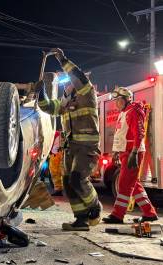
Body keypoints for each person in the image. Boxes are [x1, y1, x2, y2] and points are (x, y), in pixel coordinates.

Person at [35, 48, 102, 231]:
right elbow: (48, 107)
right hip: (71, 147)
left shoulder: (87, 95)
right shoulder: (66, 102)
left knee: (77, 177)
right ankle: (81, 219)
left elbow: (77, 76)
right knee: (67, 182)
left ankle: (95, 206)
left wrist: (62, 59)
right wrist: (42, 93)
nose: (67, 85)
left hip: (86, 146)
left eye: (68, 82)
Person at [102, 87, 158, 224]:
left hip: (132, 152)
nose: (116, 103)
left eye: (118, 100)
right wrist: (116, 152)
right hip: (125, 152)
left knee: (124, 184)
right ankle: (149, 213)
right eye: (115, 100)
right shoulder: (124, 112)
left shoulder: (134, 111)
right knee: (134, 184)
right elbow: (121, 134)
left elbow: (139, 133)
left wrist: (134, 152)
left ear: (126, 99)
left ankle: (117, 215)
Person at [49, 131, 64, 196]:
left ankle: (58, 189)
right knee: (61, 172)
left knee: (55, 173)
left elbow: (50, 144)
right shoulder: (62, 134)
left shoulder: (54, 134)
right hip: (61, 154)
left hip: (55, 154)